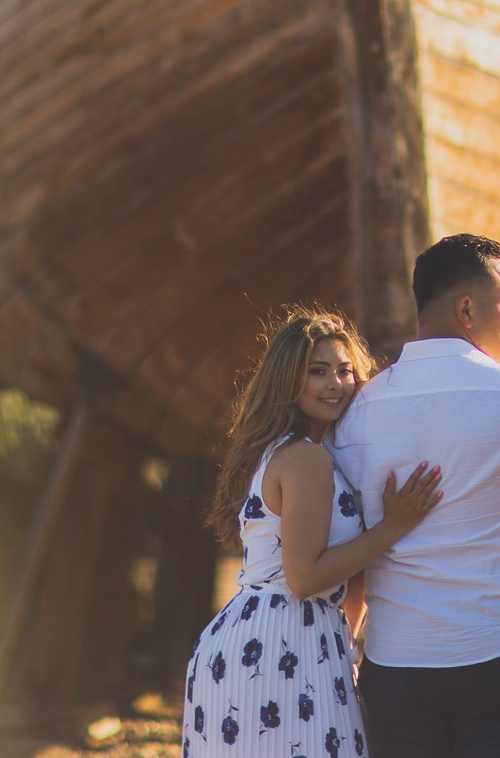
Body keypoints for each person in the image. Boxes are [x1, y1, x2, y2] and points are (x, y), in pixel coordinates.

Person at [330, 234, 500, 758]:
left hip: (396, 664)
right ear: (467, 310)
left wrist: (348, 646)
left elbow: (349, 542)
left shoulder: (357, 409)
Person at [185, 308, 443, 757]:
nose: (336, 384)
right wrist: (393, 526)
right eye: (317, 371)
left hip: (279, 636)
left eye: (345, 371)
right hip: (278, 643)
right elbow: (304, 577)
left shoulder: (291, 453)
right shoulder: (306, 459)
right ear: (288, 380)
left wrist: (346, 642)